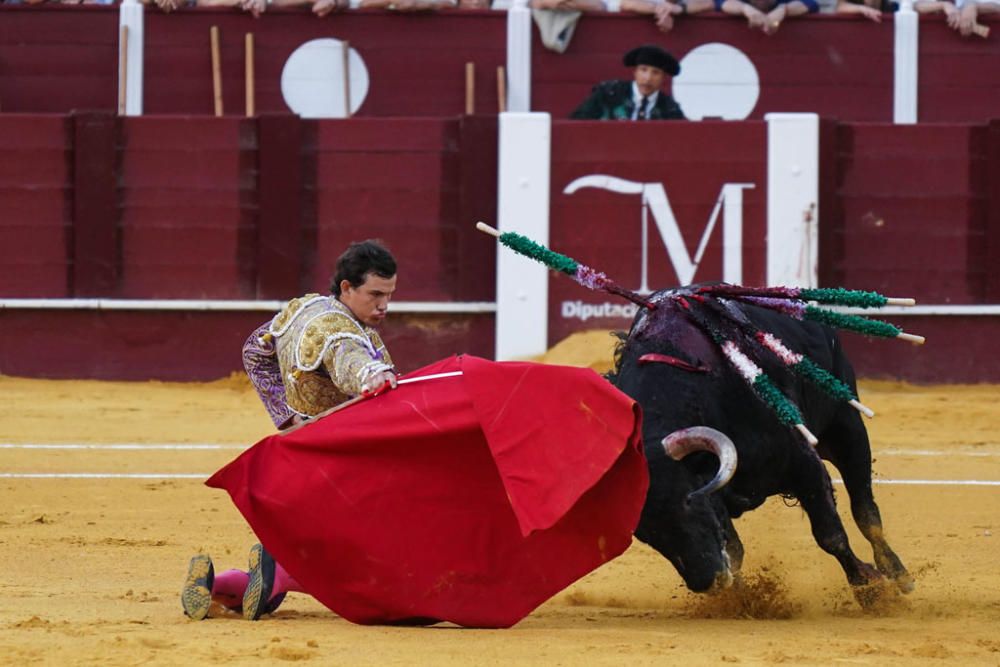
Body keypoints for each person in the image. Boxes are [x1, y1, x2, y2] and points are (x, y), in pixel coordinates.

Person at [181, 240, 400, 621]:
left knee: (314, 565)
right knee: (369, 562)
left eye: (390, 295)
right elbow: (349, 358)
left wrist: (287, 416)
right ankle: (278, 572)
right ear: (347, 288)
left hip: (306, 452)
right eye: (375, 294)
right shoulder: (339, 330)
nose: (384, 305)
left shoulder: (305, 307)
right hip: (345, 463)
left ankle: (213, 586)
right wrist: (372, 375)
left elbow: (255, 350)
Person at [570, 44, 685, 121]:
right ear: (635, 72)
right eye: (643, 70)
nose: (648, 78)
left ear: (663, 78)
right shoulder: (608, 93)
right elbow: (578, 121)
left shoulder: (670, 109)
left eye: (655, 73)